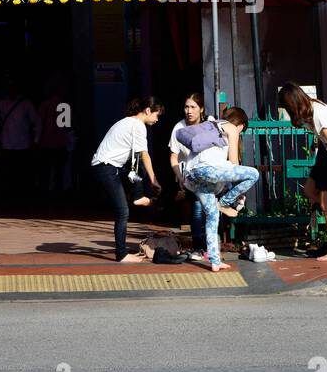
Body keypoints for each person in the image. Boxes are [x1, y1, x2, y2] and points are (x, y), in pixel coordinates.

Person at [180, 107, 259, 273]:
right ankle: (223, 203)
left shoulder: (210, 125)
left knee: (212, 215)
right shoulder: (231, 128)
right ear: (242, 125)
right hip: (208, 171)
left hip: (193, 176)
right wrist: (237, 195)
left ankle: (215, 262)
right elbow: (234, 164)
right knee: (253, 174)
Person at [278, 82, 327, 262]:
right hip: (326, 153)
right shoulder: (311, 108)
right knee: (309, 190)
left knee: (326, 206)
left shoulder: (317, 115)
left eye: (286, 107)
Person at [91, 98, 164, 263]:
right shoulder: (138, 125)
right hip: (106, 168)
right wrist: (154, 180)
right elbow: (144, 155)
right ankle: (121, 254)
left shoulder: (127, 122)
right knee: (123, 211)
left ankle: (137, 195)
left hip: (110, 167)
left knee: (134, 164)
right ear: (147, 110)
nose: (157, 119)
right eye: (156, 115)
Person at [169, 92, 209, 264]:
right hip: (191, 176)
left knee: (211, 210)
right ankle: (199, 247)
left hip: (210, 174)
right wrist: (179, 177)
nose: (189, 111)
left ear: (201, 109)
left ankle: (209, 245)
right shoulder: (179, 128)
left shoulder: (209, 124)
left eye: (193, 107)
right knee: (198, 208)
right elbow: (173, 156)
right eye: (186, 107)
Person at [0, 79, 41, 208]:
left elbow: (37, 122)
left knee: (22, 174)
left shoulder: (26, 104)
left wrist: (35, 141)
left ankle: (21, 200)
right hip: (6, 145)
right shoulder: (2, 104)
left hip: (23, 146)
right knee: (7, 175)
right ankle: (8, 200)